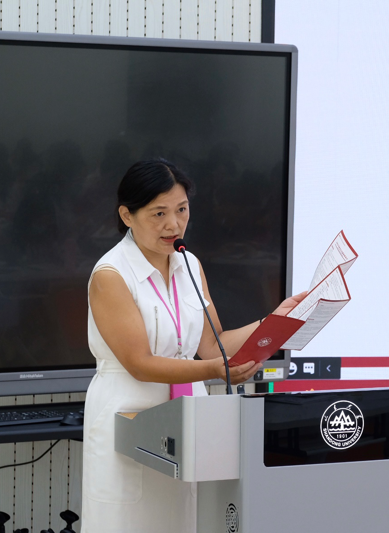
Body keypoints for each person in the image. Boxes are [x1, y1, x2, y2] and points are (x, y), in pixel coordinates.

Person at [82, 159, 305, 532]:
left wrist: (274, 321)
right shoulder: (111, 274)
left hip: (187, 419)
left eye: (182, 210)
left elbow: (213, 345)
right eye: (159, 213)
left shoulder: (189, 263)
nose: (174, 224)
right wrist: (215, 371)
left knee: (185, 519)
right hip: (130, 415)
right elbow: (140, 363)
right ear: (127, 215)